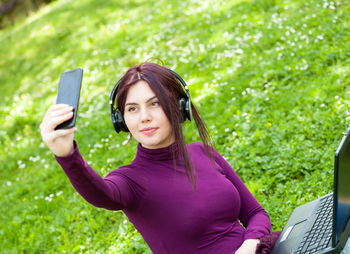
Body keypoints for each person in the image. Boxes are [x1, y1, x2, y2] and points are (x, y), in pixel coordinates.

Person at [40, 62, 271, 253]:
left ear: (180, 107)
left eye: (155, 103)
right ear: (121, 121)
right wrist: (67, 155)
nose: (144, 117)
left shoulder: (203, 152)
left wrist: (250, 244)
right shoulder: (129, 181)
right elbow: (100, 192)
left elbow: (255, 214)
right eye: (132, 109)